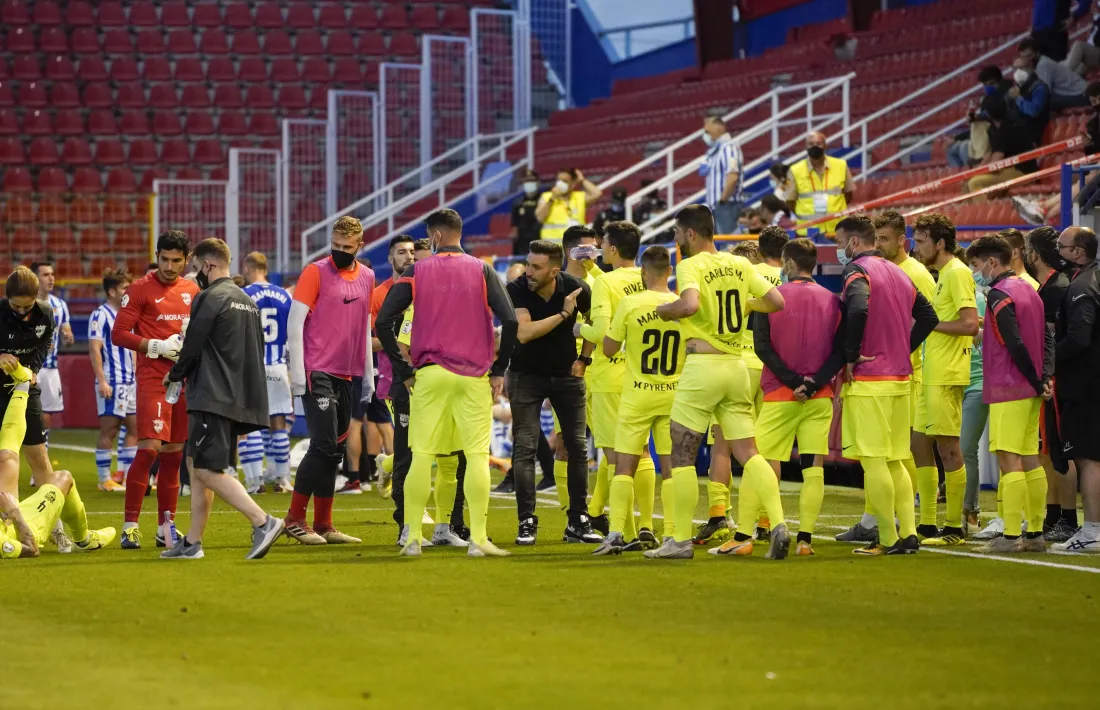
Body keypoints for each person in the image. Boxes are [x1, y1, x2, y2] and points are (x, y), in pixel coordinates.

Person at [377, 208, 519, 558]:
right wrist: (499, 369)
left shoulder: (416, 271)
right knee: (474, 456)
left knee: (421, 455)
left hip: (429, 375)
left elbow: (383, 321)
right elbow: (511, 321)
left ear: (435, 236)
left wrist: (402, 370)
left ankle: (412, 539)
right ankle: (479, 539)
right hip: (473, 376)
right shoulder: (483, 270)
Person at [650, 204, 785, 560]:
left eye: (678, 234)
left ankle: (678, 541)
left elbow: (690, 306)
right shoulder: (740, 264)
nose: (678, 241)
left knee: (681, 453)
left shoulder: (691, 265)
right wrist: (744, 306)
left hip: (703, 368)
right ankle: (780, 524)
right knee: (750, 453)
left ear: (690, 234)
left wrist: (663, 311)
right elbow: (776, 301)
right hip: (736, 366)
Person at [161, 238, 284, 560]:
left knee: (204, 470)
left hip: (211, 395)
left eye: (195, 267)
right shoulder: (247, 301)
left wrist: (175, 374)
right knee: (197, 462)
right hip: (237, 395)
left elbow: (193, 343)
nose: (194, 274)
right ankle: (191, 542)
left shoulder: (209, 297)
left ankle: (263, 521)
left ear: (208, 265)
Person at [833, 215, 939, 556]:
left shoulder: (857, 271)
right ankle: (908, 534)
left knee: (874, 461)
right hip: (901, 377)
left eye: (840, 243)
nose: (839, 250)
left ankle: (887, 538)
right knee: (895, 459)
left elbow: (859, 306)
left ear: (853, 242)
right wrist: (900, 349)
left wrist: (851, 354)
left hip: (870, 380)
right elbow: (929, 317)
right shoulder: (899, 272)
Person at [284, 216, 375, 546]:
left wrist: (367, 374)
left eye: (347, 247)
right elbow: (294, 323)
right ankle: (294, 519)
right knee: (323, 445)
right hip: (317, 369)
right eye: (335, 245)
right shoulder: (314, 271)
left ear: (359, 246)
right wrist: (297, 376)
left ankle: (324, 524)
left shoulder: (367, 276)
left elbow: (364, 326)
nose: (339, 251)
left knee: (335, 450)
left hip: (347, 372)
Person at [753, 238, 845, 557]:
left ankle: (747, 534)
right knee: (813, 465)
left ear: (788, 263)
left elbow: (762, 347)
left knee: (761, 462)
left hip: (780, 393)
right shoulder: (834, 301)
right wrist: (814, 382)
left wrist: (793, 381)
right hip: (820, 395)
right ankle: (805, 540)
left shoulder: (771, 298)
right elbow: (840, 350)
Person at [505, 239, 597, 546]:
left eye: (536, 267)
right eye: (529, 264)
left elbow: (595, 323)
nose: (529, 271)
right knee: (525, 447)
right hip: (525, 374)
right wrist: (562, 315)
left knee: (577, 447)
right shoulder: (517, 288)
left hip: (565, 375)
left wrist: (584, 359)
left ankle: (578, 520)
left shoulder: (577, 287)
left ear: (554, 270)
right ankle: (526, 521)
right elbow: (524, 333)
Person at [110, 230, 199, 550]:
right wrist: (155, 345)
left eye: (177, 260)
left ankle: (166, 526)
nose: (170, 266)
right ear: (157, 255)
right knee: (149, 449)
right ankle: (130, 526)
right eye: (164, 259)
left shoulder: (193, 290)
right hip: (152, 380)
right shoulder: (139, 289)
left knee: (174, 455)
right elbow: (118, 334)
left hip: (185, 380)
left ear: (186, 260)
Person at [965, 235, 1053, 554]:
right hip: (1029, 387)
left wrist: (1032, 376)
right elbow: (1046, 337)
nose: (975, 272)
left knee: (1008, 458)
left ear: (991, 262)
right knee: (1030, 457)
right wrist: (1043, 377)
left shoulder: (1000, 293)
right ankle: (1035, 534)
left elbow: (1014, 342)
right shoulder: (1029, 289)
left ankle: (1012, 533)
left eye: (975, 265)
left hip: (1008, 384)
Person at [593, 245, 683, 555]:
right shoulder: (681, 304)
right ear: (669, 271)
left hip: (637, 395)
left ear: (643, 272)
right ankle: (672, 534)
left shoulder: (630, 303)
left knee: (624, 465)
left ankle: (616, 532)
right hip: (672, 394)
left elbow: (608, 347)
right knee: (671, 468)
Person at [578, 222, 651, 543]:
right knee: (642, 452)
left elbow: (604, 333)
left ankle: (627, 531)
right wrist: (593, 269)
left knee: (614, 455)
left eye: (603, 244)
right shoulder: (648, 278)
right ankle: (646, 525)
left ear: (612, 249)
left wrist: (578, 330)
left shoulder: (606, 282)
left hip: (608, 374)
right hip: (641, 376)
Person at [912, 214, 980, 546]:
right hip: (932, 371)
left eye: (921, 241)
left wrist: (930, 325)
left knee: (948, 448)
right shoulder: (943, 275)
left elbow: (970, 325)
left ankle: (954, 527)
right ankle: (926, 523)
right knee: (918, 442)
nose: (916, 247)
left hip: (947, 373)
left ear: (940, 243)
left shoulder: (957, 273)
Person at [0, 363, 113, 558]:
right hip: (20, 526)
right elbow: (30, 548)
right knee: (63, 477)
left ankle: (22, 384)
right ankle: (83, 538)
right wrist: (15, 514)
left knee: (6, 457)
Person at [1023, 226, 1078, 542]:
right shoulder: (1049, 285)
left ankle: (1069, 519)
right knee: (1048, 449)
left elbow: (1056, 338)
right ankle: (1055, 513)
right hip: (1050, 375)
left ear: (1035, 253)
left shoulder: (1057, 287)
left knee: (1060, 450)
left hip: (1056, 378)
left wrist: (1049, 372)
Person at [1051, 226, 1100, 553]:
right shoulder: (1091, 279)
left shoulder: (1082, 286)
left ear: (1078, 252)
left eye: (1062, 246)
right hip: (1091, 380)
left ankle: (1093, 529)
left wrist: (1051, 357)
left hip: (1085, 384)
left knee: (1087, 459)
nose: (1058, 251)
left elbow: (1080, 337)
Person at [369, 235, 418, 500]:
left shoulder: (425, 287)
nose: (408, 256)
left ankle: (387, 464)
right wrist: (397, 342)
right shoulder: (379, 295)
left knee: (420, 442)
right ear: (390, 258)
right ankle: (411, 509)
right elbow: (366, 341)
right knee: (409, 441)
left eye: (412, 252)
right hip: (393, 378)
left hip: (425, 375)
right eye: (401, 252)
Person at [241, 251, 294, 493]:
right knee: (279, 422)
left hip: (254, 367)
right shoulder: (285, 295)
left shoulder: (245, 294)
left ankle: (256, 482)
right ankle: (283, 479)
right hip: (279, 366)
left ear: (248, 268)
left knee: (250, 423)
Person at [0, 267, 54, 498]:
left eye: (27, 306)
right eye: (16, 306)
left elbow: (45, 342)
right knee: (5, 457)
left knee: (39, 457)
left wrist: (33, 369)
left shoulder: (45, 313)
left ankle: (56, 526)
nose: (22, 312)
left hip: (24, 388)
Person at [88, 268, 137, 493]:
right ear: (111, 291)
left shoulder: (128, 314)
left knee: (135, 428)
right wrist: (102, 380)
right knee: (110, 430)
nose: (128, 292)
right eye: (124, 288)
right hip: (112, 380)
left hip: (130, 381)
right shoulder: (100, 314)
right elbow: (94, 349)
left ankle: (127, 477)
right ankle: (104, 479)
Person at [29, 261, 72, 459]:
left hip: (50, 368)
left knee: (46, 417)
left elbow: (66, 332)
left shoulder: (60, 305)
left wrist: (67, 338)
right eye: (46, 274)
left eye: (52, 274)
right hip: (27, 368)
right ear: (35, 278)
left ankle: (40, 462)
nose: (51, 278)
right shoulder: (25, 304)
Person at [787, 132, 853, 236]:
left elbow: (848, 195)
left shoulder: (841, 165)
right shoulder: (795, 170)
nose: (814, 146)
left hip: (838, 230)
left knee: (840, 253)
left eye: (818, 143)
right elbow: (790, 201)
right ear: (806, 147)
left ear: (825, 146)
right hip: (808, 232)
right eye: (811, 143)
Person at [968, 100, 1040, 194]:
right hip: (1009, 170)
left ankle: (985, 208)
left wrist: (976, 173)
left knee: (975, 183)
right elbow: (989, 157)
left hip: (1022, 173)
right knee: (967, 185)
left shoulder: (1005, 129)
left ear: (989, 115)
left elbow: (994, 165)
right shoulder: (998, 128)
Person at [700, 116, 744, 235]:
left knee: (729, 247)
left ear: (719, 129)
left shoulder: (728, 148)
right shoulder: (716, 151)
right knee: (721, 248)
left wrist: (722, 201)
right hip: (717, 207)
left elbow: (733, 176)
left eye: (707, 132)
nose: (706, 135)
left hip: (727, 206)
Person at [1018, 37, 1089, 109]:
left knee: (1043, 101)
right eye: (1024, 57)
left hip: (1082, 95)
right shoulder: (1036, 66)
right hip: (1074, 94)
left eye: (1029, 56)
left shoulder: (1043, 64)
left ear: (1037, 53)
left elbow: (1044, 92)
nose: (1027, 60)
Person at [534, 168, 601, 242]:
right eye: (559, 180)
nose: (560, 184)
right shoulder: (547, 197)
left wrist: (582, 180)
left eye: (564, 181)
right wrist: (552, 198)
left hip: (576, 248)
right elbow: (540, 217)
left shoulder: (579, 197)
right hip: (553, 248)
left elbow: (597, 193)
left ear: (572, 184)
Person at [1009, 61, 1051, 147]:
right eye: (1016, 68)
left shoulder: (1039, 87)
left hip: (1036, 135)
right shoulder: (1019, 88)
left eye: (1022, 68)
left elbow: (1034, 110)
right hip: (1020, 133)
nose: (1018, 72)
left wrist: (1018, 98)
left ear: (1031, 68)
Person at [511, 170, 543, 255]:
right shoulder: (518, 202)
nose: (529, 183)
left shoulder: (544, 200)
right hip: (523, 245)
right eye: (527, 181)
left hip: (541, 241)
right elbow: (514, 227)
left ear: (538, 182)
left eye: (532, 180)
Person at [1064, 4, 1100, 76]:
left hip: (1097, 51)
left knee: (1079, 46)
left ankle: (1061, 77)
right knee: (1069, 62)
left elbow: (1097, 40)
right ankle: (1063, 81)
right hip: (1090, 52)